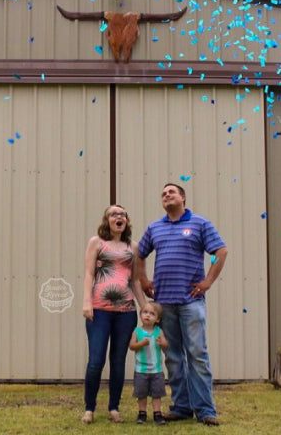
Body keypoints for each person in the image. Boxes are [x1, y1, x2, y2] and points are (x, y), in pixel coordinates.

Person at [137, 183, 228, 427]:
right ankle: (181, 407)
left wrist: (208, 281)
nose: (166, 195)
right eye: (163, 193)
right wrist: (144, 279)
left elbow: (220, 251)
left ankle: (206, 410)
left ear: (183, 197)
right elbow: (139, 254)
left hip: (191, 303)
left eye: (171, 192)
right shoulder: (155, 228)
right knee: (173, 357)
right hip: (164, 304)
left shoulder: (200, 224)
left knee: (197, 355)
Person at [81, 204, 145, 425]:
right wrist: (86, 302)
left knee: (118, 361)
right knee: (96, 361)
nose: (118, 217)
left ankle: (114, 408)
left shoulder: (133, 247)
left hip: (126, 312)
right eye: (113, 214)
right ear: (106, 220)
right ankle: (89, 408)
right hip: (99, 311)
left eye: (122, 214)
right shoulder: (96, 243)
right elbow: (89, 274)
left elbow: (135, 281)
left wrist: (144, 305)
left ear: (126, 220)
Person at [129, 300, 169, 425]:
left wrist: (162, 343)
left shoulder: (159, 331)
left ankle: (157, 413)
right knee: (142, 393)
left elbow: (166, 345)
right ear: (141, 315)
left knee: (157, 394)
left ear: (157, 319)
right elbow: (132, 346)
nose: (147, 315)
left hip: (157, 370)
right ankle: (142, 413)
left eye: (152, 314)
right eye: (145, 312)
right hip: (141, 370)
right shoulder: (137, 331)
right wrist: (141, 343)